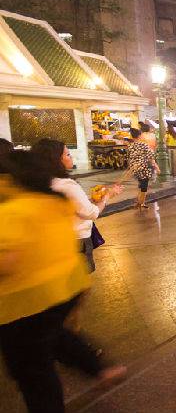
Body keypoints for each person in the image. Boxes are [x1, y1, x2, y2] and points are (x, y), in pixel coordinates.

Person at [0, 150, 126, 413]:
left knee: (33, 367)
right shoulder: (54, 197)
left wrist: (103, 199)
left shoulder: (13, 208)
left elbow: (7, 261)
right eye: (66, 153)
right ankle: (98, 366)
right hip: (68, 284)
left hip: (26, 298)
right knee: (51, 334)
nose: (69, 157)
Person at [32, 139, 122, 272]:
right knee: (81, 274)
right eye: (67, 155)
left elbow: (72, 206)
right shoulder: (67, 185)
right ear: (56, 160)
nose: (71, 157)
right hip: (77, 239)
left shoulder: (44, 183)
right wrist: (107, 196)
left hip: (56, 239)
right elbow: (91, 213)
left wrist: (90, 200)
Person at [127, 127, 159, 209]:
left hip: (136, 169)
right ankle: (141, 203)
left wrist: (131, 168)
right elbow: (151, 158)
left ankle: (140, 202)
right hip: (144, 169)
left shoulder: (130, 146)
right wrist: (156, 167)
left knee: (141, 185)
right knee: (144, 187)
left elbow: (129, 158)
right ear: (140, 136)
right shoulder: (144, 145)